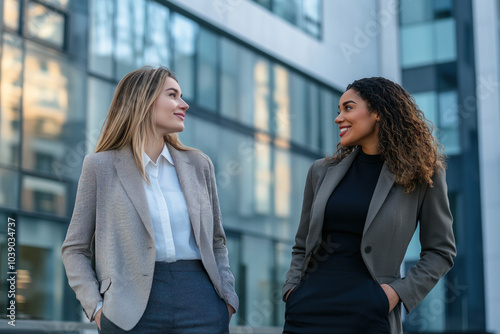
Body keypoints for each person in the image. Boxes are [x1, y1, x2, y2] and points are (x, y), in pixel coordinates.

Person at [61, 66, 238, 333]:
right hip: (128, 310)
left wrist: (227, 299)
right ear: (143, 100)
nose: (184, 104)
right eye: (173, 95)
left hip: (202, 302)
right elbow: (74, 249)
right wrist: (97, 309)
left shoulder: (199, 165)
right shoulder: (100, 167)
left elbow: (216, 241)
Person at [282, 77, 456, 334]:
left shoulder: (422, 175)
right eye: (338, 110)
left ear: (377, 112)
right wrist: (292, 290)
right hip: (307, 309)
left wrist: (394, 294)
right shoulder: (320, 171)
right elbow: (302, 244)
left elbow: (440, 252)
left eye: (348, 108)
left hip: (369, 312)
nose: (338, 118)